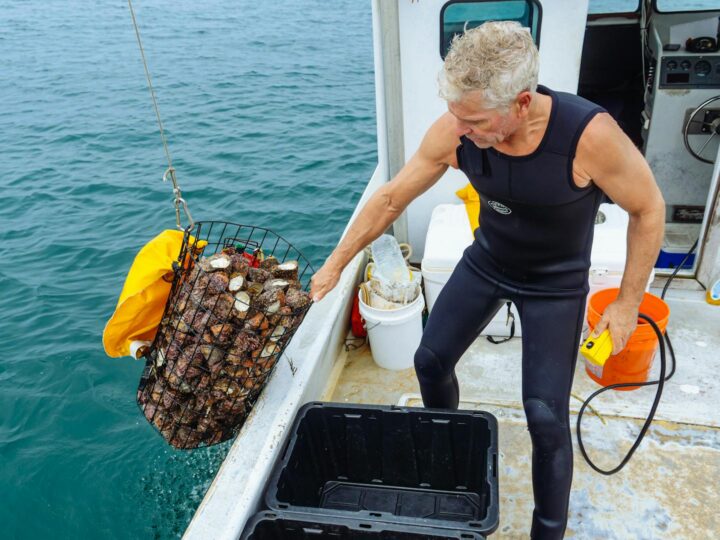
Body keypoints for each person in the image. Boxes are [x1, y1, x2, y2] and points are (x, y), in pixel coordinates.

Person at [310, 21, 665, 539]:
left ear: (521, 103)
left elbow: (648, 208)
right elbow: (390, 199)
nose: (460, 129)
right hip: (488, 261)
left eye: (474, 120)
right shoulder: (456, 129)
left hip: (556, 284)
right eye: (456, 114)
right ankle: (449, 460)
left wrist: (628, 302)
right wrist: (335, 263)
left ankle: (547, 531)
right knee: (429, 360)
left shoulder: (589, 136)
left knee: (544, 416)